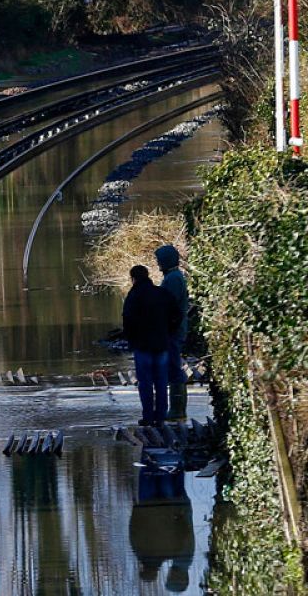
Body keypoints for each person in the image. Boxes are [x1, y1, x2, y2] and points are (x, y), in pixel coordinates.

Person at [122, 265, 181, 426]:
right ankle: (161, 416)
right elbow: (177, 314)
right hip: (161, 343)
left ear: (133, 278)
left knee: (145, 383)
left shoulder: (134, 296)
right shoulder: (162, 293)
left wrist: (131, 340)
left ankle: (148, 416)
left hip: (142, 346)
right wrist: (169, 332)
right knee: (161, 382)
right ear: (148, 276)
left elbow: (127, 320)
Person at [129, 463, 194, 592]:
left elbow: (183, 533)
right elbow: (134, 529)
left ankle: (173, 454)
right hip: (157, 507)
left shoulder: (174, 557)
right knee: (154, 468)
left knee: (169, 470)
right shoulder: (142, 551)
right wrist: (136, 509)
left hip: (172, 508)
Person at [155, 245, 190, 421]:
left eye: (160, 260)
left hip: (173, 331)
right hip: (171, 330)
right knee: (171, 367)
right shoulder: (173, 277)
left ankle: (177, 411)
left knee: (173, 368)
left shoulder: (173, 279)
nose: (158, 263)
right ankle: (176, 410)